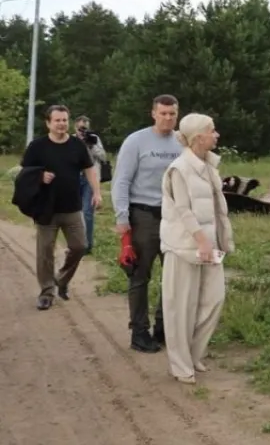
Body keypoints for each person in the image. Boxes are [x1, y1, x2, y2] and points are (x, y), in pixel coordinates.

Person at [159, 113, 234, 385]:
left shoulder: (208, 165)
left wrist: (217, 240)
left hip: (209, 244)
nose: (217, 135)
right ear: (198, 137)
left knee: (214, 299)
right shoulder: (179, 168)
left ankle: (194, 354)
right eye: (212, 131)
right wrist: (201, 241)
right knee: (180, 306)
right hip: (183, 246)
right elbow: (183, 209)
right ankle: (180, 365)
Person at [112, 94, 183, 353]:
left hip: (174, 216)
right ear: (153, 114)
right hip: (144, 214)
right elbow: (121, 180)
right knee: (140, 275)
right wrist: (122, 217)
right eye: (163, 113)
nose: (168, 118)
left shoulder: (181, 141)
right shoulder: (137, 141)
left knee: (173, 275)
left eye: (172, 114)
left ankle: (164, 328)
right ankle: (139, 332)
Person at [19, 105, 101, 310]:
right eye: (57, 120)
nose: (61, 124)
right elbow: (24, 173)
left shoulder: (77, 145)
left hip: (72, 207)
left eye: (64, 120)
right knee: (45, 251)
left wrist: (97, 192)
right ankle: (47, 292)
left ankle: (61, 280)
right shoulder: (37, 146)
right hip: (46, 207)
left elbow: (89, 169)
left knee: (80, 246)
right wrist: (39, 176)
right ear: (48, 123)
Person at [74, 115, 107, 254]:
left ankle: (87, 245)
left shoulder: (94, 139)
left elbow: (103, 157)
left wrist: (91, 145)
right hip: (75, 177)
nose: (83, 131)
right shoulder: (71, 139)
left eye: (85, 128)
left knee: (87, 212)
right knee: (74, 212)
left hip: (90, 178)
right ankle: (76, 243)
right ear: (75, 127)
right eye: (81, 128)